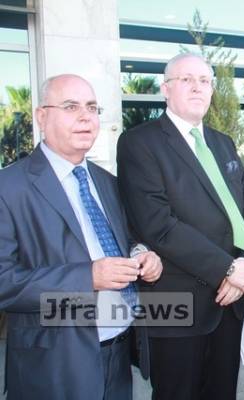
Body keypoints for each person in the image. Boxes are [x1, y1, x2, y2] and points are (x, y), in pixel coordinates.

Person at [0, 74, 163, 400]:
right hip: (53, 364)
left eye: (91, 107)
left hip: (118, 355)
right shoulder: (9, 187)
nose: (85, 116)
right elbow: (4, 282)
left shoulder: (107, 181)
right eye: (71, 106)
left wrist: (142, 254)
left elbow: (125, 239)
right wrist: (87, 277)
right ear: (41, 116)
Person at [116, 53, 244, 399]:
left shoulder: (223, 142)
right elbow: (158, 225)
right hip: (175, 304)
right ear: (165, 89)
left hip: (229, 302)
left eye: (204, 81)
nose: (197, 87)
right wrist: (228, 269)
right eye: (186, 80)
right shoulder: (139, 142)